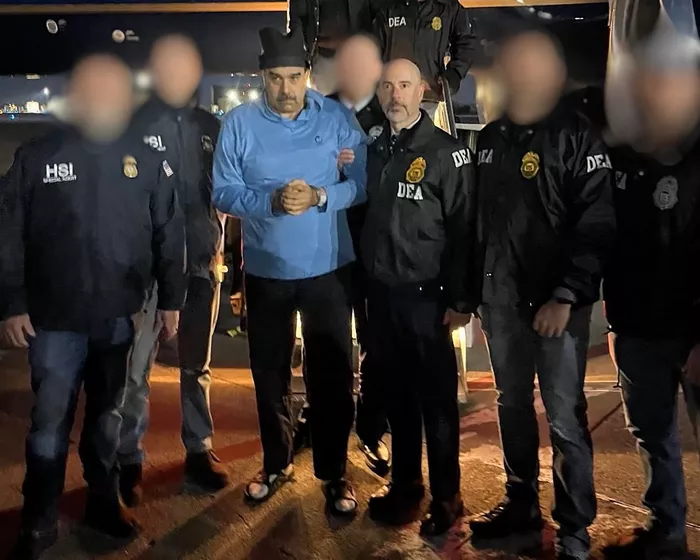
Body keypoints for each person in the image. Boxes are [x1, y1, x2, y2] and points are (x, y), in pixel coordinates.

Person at [0, 54, 185, 559]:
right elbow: (8, 234)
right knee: (49, 423)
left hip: (118, 317)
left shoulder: (147, 158)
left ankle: (103, 502)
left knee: (107, 418)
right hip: (52, 320)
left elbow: (169, 232)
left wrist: (171, 301)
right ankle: (38, 518)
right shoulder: (37, 156)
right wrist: (12, 304)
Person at [467, 29, 615, 560]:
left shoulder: (577, 136)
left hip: (555, 309)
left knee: (564, 417)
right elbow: (476, 223)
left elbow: (595, 224)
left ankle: (574, 529)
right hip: (501, 304)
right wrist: (474, 293)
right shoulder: (489, 140)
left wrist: (567, 294)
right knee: (511, 405)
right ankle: (520, 502)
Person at [212, 27, 367, 515]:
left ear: (308, 74)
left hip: (328, 269)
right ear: (262, 76)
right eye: (276, 78)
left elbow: (362, 184)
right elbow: (222, 192)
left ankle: (334, 473)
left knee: (332, 374)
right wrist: (271, 202)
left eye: (294, 76)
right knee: (269, 373)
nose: (286, 88)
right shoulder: (238, 124)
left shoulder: (337, 118)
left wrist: (321, 195)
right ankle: (276, 463)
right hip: (266, 270)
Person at [363, 58, 476, 536]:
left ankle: (448, 498)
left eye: (405, 85)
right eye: (387, 86)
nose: (395, 94)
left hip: (428, 299)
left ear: (422, 91)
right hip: (382, 297)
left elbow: (465, 229)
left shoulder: (447, 153)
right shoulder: (375, 148)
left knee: (437, 404)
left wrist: (462, 300)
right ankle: (406, 486)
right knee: (398, 398)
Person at [117, 34, 229, 506]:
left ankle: (199, 449)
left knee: (196, 366)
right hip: (149, 269)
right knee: (135, 370)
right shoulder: (135, 124)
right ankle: (127, 456)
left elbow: (227, 192)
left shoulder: (212, 126)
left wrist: (220, 248)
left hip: (202, 264)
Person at [602, 29, 700, 560]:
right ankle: (667, 532)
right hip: (637, 328)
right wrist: (614, 321)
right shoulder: (620, 157)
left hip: (691, 329)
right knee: (651, 436)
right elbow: (612, 243)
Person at [292, 33, 391, 476]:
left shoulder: (387, 111)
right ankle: (316, 415)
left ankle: (371, 428)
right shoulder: (317, 111)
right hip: (324, 245)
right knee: (321, 341)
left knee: (373, 341)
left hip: (372, 247)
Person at [372, 0, 475, 102]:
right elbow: (371, 50)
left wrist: (455, 74)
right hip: (392, 97)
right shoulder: (387, 7)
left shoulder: (448, 8)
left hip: (429, 95)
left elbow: (465, 43)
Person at [287, 0, 381, 94]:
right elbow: (296, 19)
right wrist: (302, 57)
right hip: (323, 60)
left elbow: (379, 12)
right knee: (325, 101)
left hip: (359, 58)